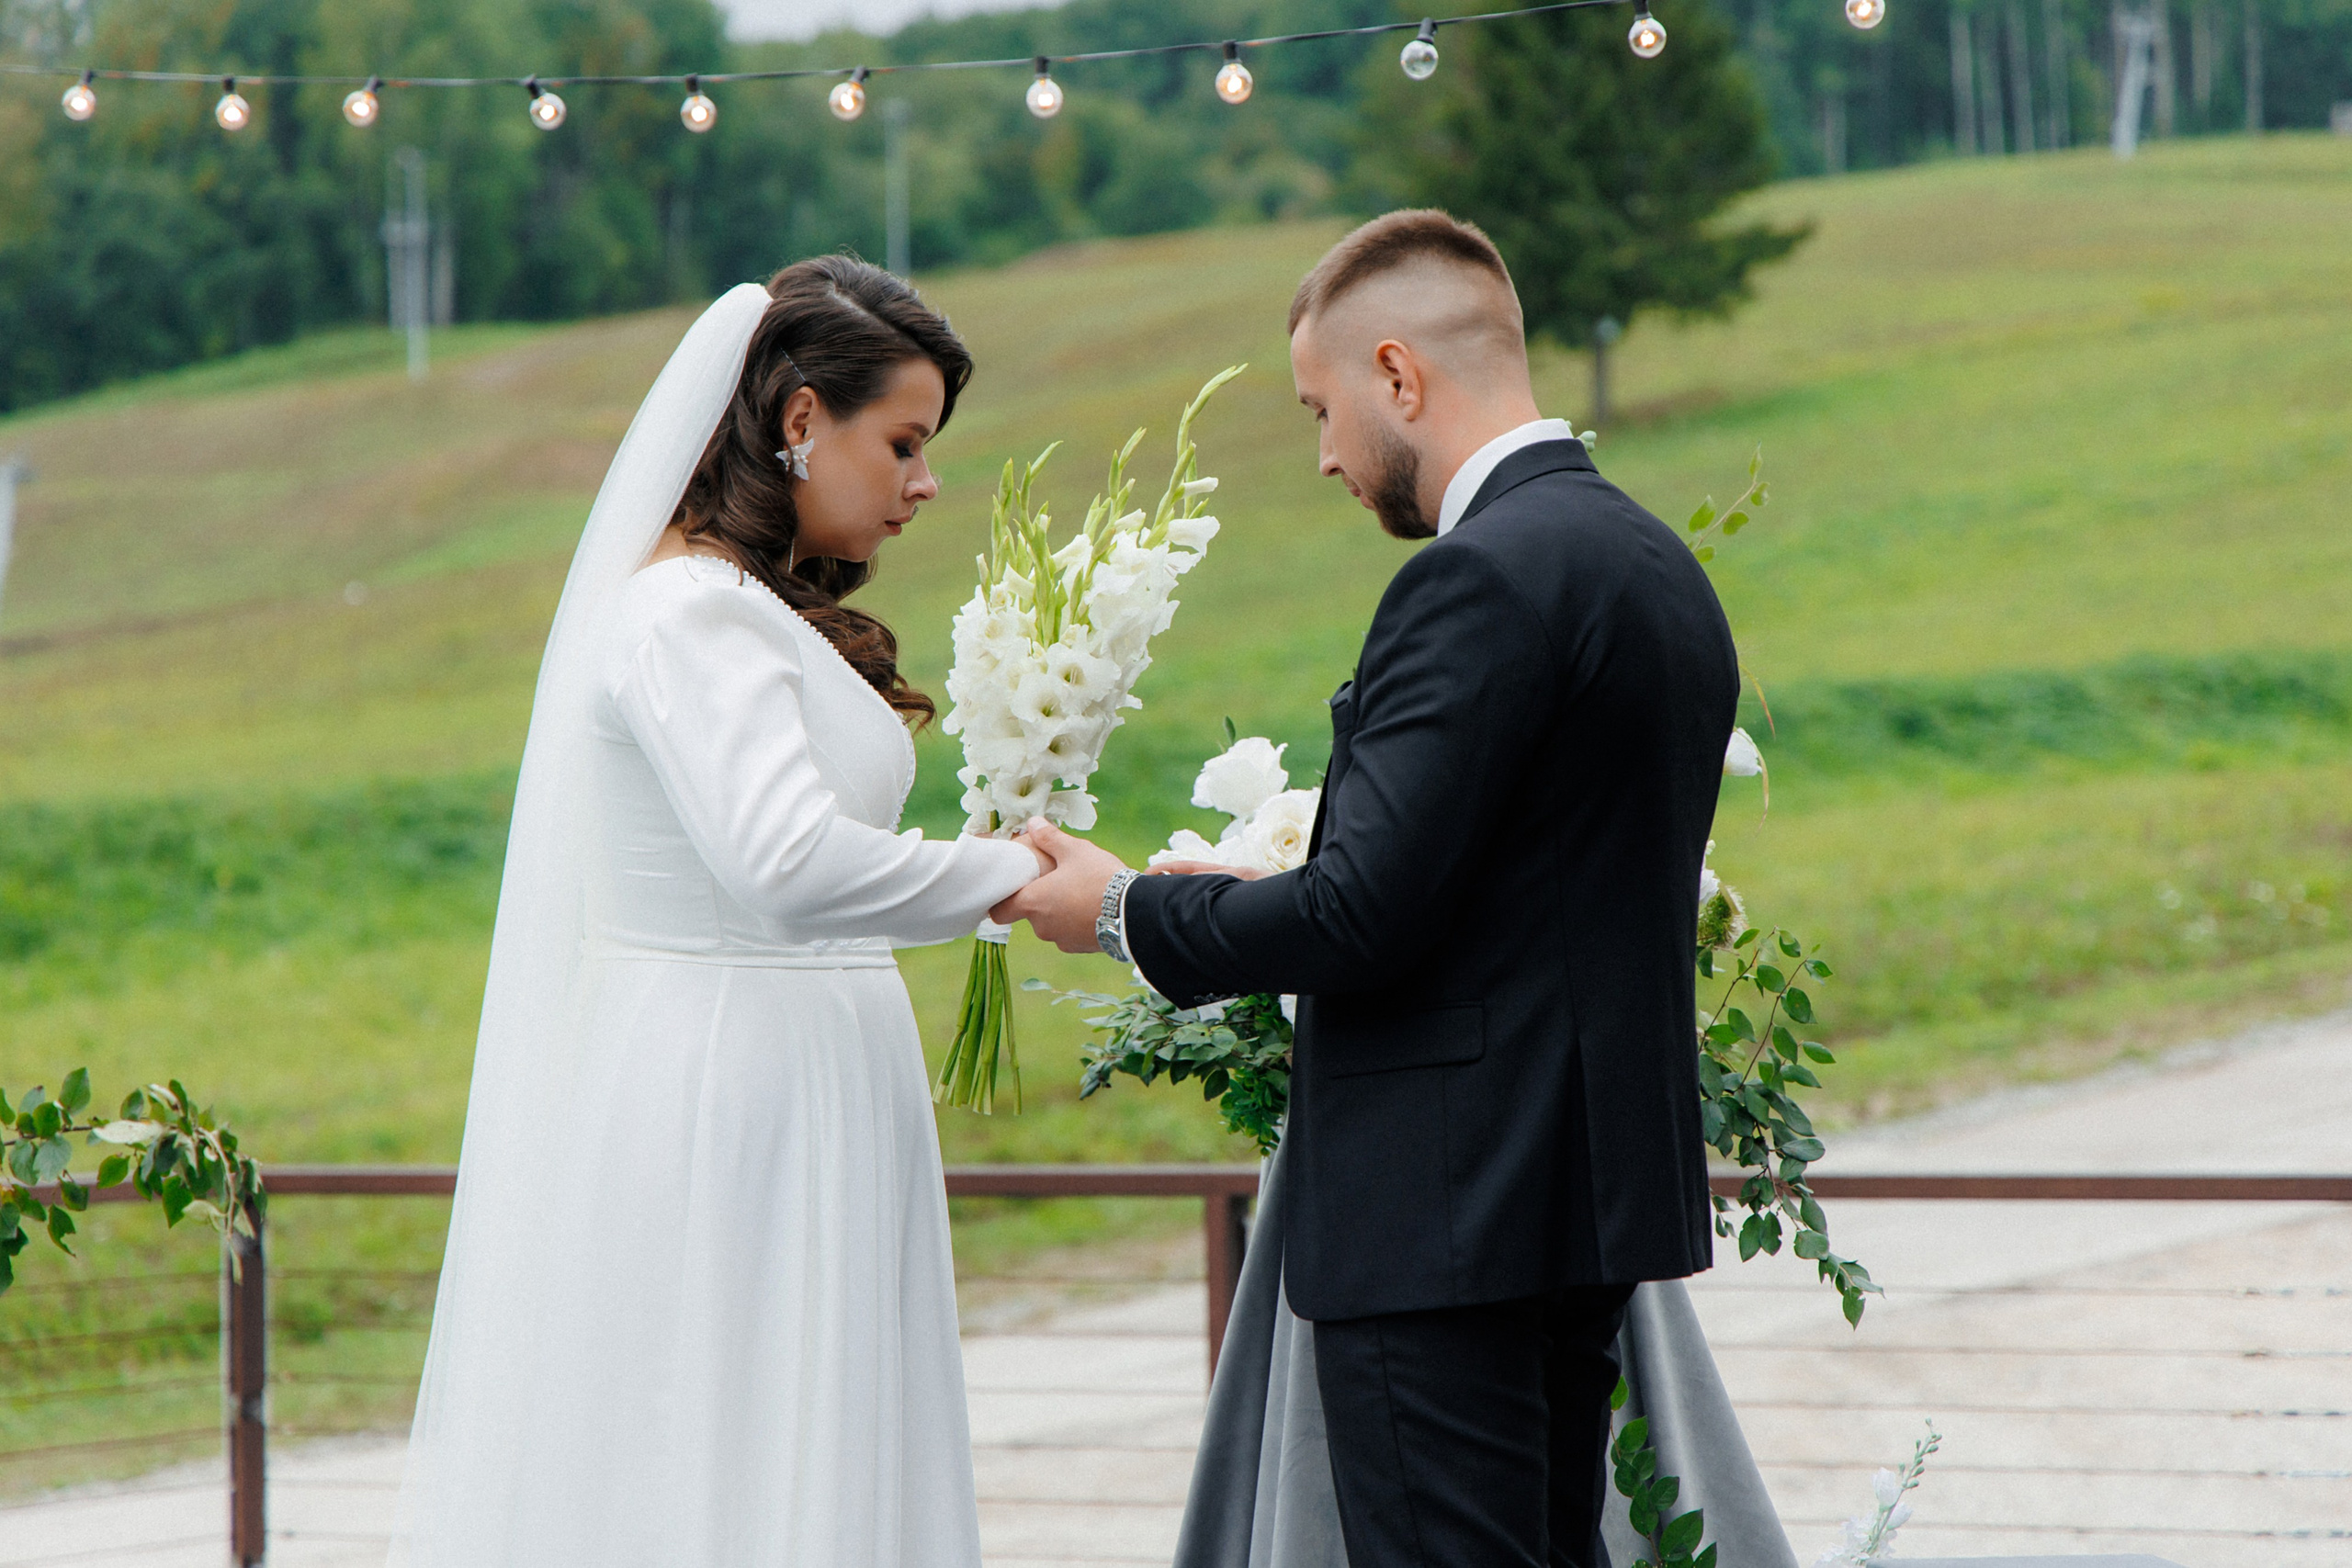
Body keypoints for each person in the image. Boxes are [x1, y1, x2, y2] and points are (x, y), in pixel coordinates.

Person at [995, 210, 1740, 1568]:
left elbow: (1356, 918)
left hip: (1446, 1215)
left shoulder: (1470, 582)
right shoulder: (1655, 566)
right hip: (1582, 1204)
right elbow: (1508, 888)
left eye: (1322, 410)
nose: (1329, 455)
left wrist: (1117, 910)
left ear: (1399, 376)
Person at [393, 259, 1044, 1567]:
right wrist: (1010, 875)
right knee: (730, 1433)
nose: (926, 485)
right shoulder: (689, 612)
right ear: (801, 420)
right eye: (904, 443)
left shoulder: (750, 607)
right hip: (733, 1084)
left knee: (815, 1426)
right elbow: (785, 862)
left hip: (801, 1071)